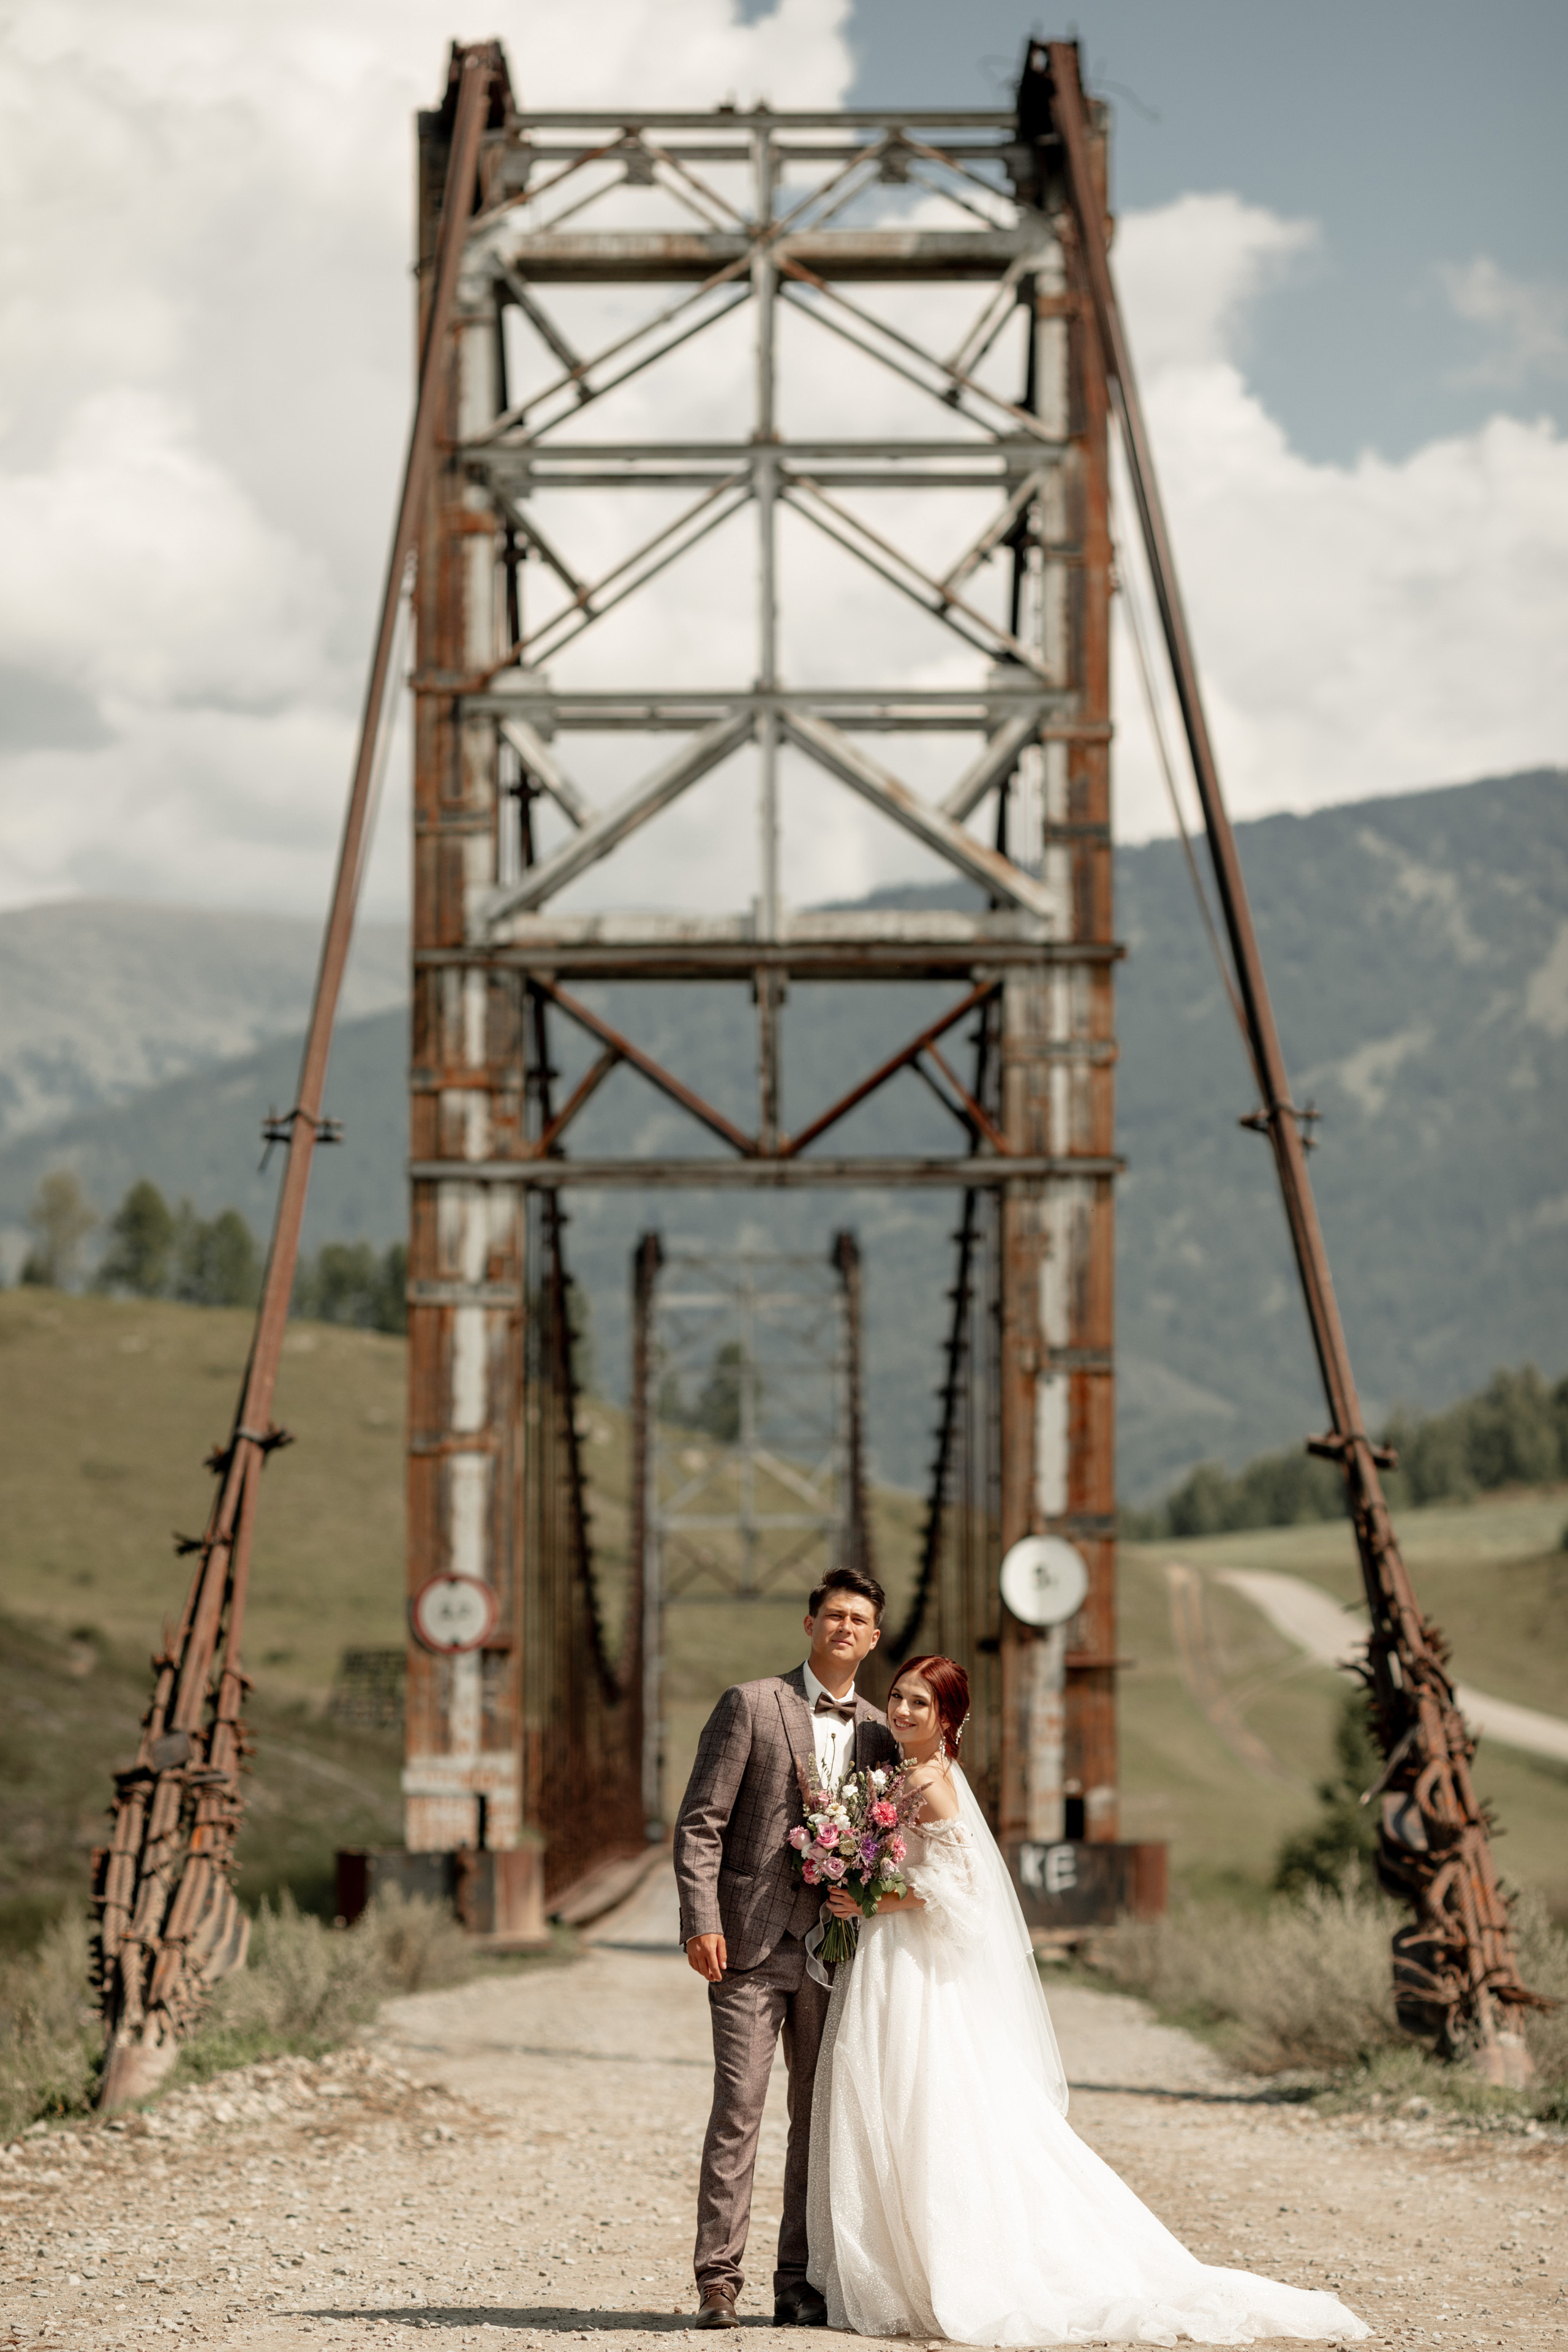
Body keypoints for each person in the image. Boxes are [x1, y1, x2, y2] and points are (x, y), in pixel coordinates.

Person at [806, 1655, 1371, 2347]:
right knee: (904, 2106)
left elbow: (966, 1895)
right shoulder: (906, 1775)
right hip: (894, 1958)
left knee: (920, 2106)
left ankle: (940, 2269)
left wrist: (870, 1897)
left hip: (912, 1965)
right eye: (897, 1697)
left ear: (949, 1717)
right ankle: (910, 2267)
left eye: (920, 1703)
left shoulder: (927, 1779)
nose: (901, 1711)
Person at [673, 1568, 901, 2331]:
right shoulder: (750, 1704)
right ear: (810, 1625)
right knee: (738, 2109)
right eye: (832, 1614)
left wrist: (863, 1899)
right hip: (746, 1942)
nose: (843, 1627)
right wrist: (698, 1917)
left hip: (833, 1950)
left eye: (857, 1618)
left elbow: (889, 1847)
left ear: (873, 1638)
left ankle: (795, 2282)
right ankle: (717, 2282)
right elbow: (702, 1822)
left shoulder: (879, 1730)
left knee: (815, 2120)